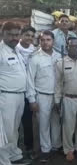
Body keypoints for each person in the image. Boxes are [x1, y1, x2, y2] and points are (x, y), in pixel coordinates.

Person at [26, 30, 62, 163]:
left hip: (57, 96)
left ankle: (56, 146)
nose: (45, 42)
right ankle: (45, 150)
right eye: (43, 40)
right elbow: (29, 80)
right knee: (43, 125)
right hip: (42, 96)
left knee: (56, 122)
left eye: (48, 40)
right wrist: (32, 100)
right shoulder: (34, 58)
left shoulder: (59, 56)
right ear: (39, 41)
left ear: (53, 41)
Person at [0, 21, 31, 165]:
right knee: (4, 131)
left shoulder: (16, 50)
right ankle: (3, 160)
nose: (14, 37)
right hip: (5, 96)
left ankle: (13, 155)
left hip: (19, 96)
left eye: (16, 35)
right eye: (10, 34)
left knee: (14, 129)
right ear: (3, 34)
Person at [15, 26, 37, 155]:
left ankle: (29, 148)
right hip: (15, 91)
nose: (29, 38)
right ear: (21, 34)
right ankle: (15, 148)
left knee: (28, 122)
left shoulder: (34, 51)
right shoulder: (14, 49)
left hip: (28, 92)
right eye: (27, 35)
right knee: (14, 124)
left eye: (31, 36)